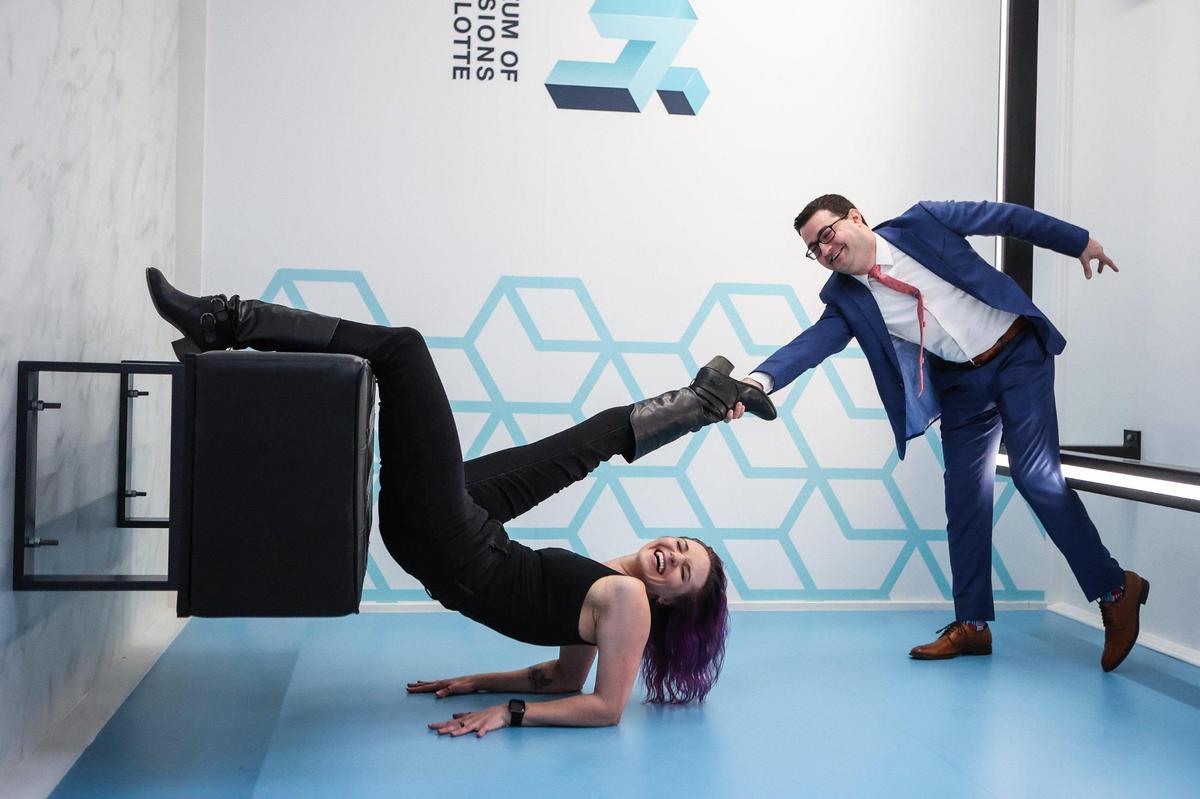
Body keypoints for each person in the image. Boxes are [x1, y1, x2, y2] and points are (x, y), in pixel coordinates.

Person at [146, 267, 777, 735]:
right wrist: (479, 679)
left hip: (453, 542)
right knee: (589, 443)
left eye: (684, 570)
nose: (671, 554)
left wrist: (509, 713)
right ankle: (707, 402)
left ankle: (226, 320)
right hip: (462, 536)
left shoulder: (632, 603)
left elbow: (605, 709)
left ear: (674, 604)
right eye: (681, 544)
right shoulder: (613, 595)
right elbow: (561, 678)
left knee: (402, 350)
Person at [733, 196, 1147, 670]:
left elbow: (1007, 218)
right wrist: (756, 382)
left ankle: (1115, 590)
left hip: (1016, 355)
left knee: (1037, 478)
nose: (825, 251)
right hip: (962, 386)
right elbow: (810, 345)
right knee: (964, 500)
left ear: (854, 218)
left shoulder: (923, 222)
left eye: (826, 235)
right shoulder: (845, 298)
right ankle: (971, 625)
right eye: (814, 249)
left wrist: (1078, 242)